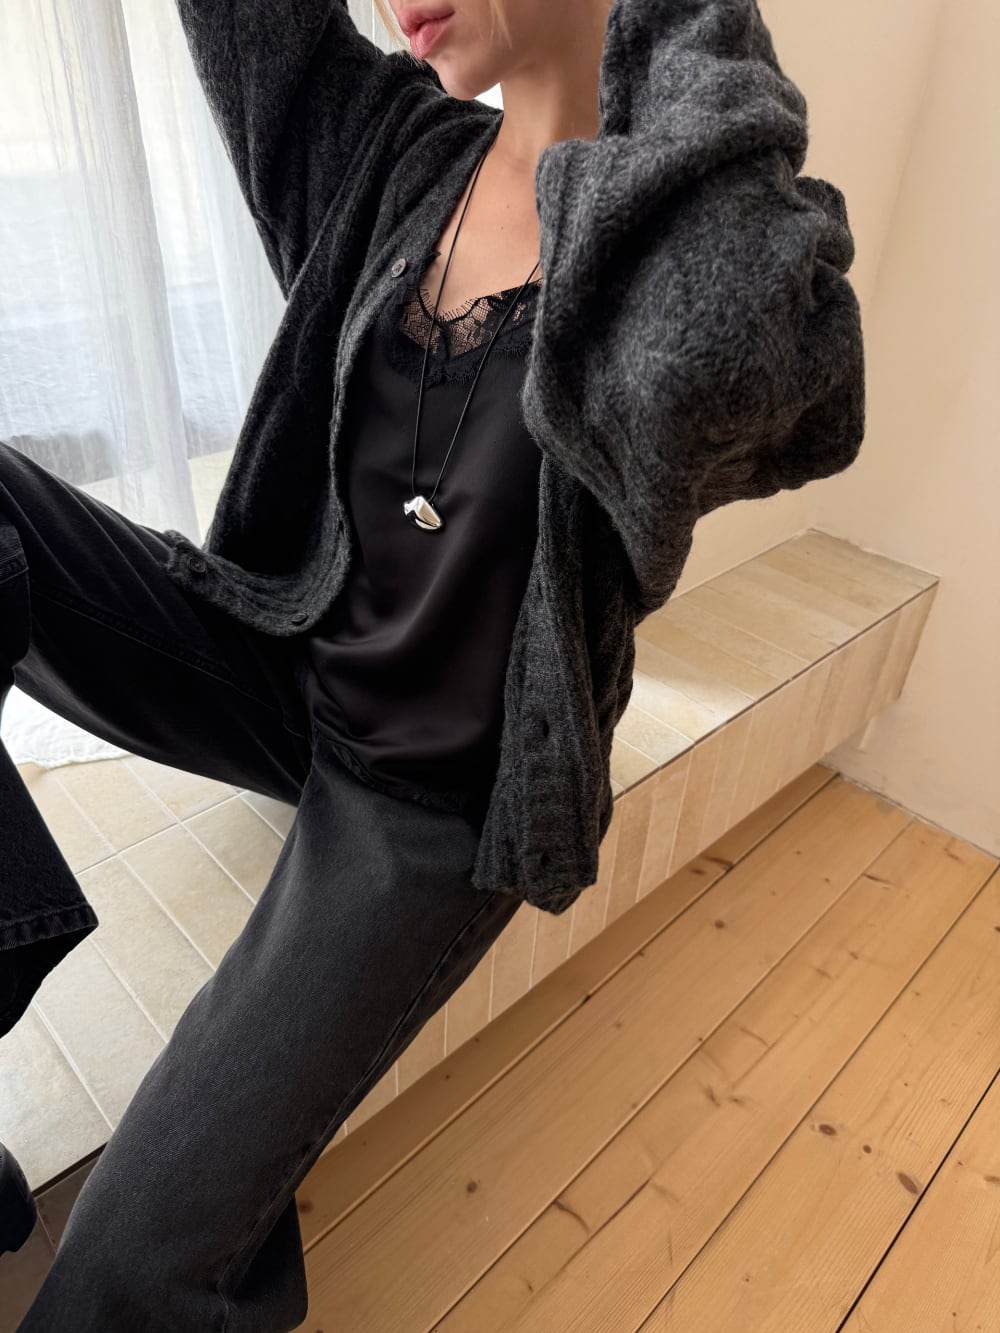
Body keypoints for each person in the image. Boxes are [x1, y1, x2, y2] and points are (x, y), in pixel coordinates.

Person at [2, 0, 866, 1327]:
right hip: (287, 655)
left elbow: (769, 361)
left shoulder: (674, 241)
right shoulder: (393, 151)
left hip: (433, 800)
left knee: (119, 1278)